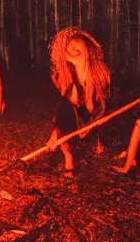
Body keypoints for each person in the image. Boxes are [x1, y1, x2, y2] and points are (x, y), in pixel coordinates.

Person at [45, 27, 111, 177]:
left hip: (95, 115)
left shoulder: (100, 72)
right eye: (70, 48)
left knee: (67, 111)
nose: (75, 51)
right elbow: (65, 104)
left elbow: (104, 104)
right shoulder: (66, 75)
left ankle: (62, 133)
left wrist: (92, 123)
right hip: (73, 115)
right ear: (66, 55)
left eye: (78, 45)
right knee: (65, 108)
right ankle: (67, 153)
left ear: (87, 47)